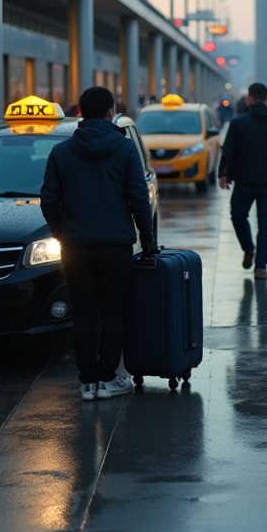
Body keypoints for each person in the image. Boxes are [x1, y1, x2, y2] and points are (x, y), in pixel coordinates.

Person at [41, 86, 157, 402]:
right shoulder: (124, 149)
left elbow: (48, 201)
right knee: (114, 310)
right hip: (116, 245)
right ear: (110, 112)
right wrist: (148, 243)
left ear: (80, 112)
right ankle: (107, 378)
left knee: (83, 312)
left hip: (76, 246)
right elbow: (138, 199)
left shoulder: (61, 152)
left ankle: (88, 383)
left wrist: (60, 234)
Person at [217, 82, 267, 280]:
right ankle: (261, 267)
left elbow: (228, 150)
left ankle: (248, 248)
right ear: (266, 99)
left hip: (244, 182)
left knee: (238, 216)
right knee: (265, 225)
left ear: (250, 99)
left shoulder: (238, 123)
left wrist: (223, 173)